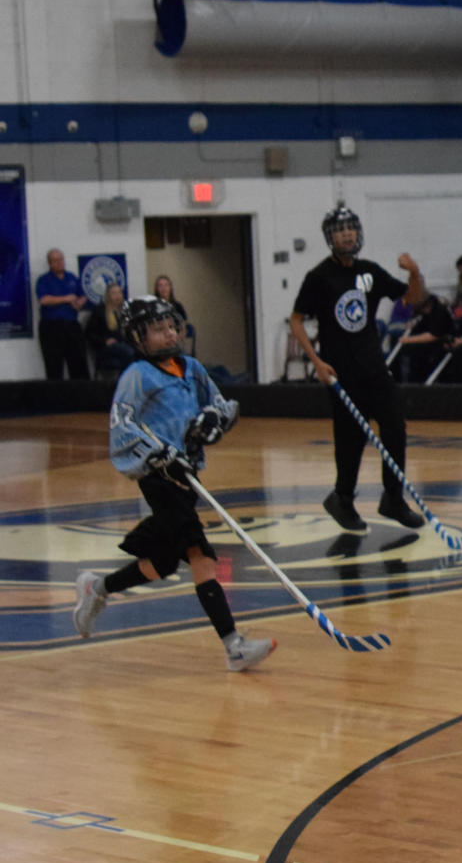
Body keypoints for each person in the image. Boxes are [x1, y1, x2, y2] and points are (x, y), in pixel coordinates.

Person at [72, 297, 274, 671]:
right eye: (157, 329)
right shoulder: (137, 375)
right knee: (200, 553)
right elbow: (123, 425)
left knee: (162, 562)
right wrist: (157, 451)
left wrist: (214, 418)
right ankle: (234, 646)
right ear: (139, 337)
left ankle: (96, 589)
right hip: (159, 476)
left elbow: (220, 404)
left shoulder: (192, 367)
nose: (168, 334)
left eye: (171, 326)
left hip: (187, 474)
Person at [289, 203, 426, 534]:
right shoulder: (319, 277)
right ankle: (343, 499)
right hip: (341, 373)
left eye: (351, 229)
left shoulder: (370, 271)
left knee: (395, 428)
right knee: (350, 440)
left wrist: (414, 272)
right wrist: (316, 362)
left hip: (375, 369)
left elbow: (411, 299)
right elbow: (296, 320)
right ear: (330, 237)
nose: (347, 234)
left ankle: (393, 498)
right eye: (340, 230)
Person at [34, 248, 89, 380]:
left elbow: (82, 296)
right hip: (52, 326)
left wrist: (79, 302)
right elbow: (44, 299)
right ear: (50, 263)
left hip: (71, 324)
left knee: (78, 363)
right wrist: (66, 298)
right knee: (54, 365)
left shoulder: (71, 278)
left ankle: (80, 396)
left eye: (61, 259)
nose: (59, 263)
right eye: (55, 261)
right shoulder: (44, 280)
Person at [84, 282, 134, 376]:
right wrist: (104, 341)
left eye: (119, 292)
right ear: (108, 295)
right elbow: (89, 333)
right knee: (129, 353)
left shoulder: (125, 311)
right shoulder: (100, 311)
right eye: (114, 293)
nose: (117, 296)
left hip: (124, 344)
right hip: (107, 347)